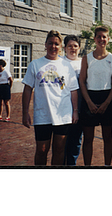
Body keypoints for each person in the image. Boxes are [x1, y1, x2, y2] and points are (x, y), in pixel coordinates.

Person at [22, 30, 79, 166]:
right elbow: (28, 89)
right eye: (50, 43)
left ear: (60, 47)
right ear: (45, 44)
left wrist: (75, 111)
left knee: (59, 149)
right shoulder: (35, 64)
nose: (53, 47)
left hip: (63, 114)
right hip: (42, 114)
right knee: (42, 150)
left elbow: (73, 90)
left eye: (56, 44)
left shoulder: (66, 65)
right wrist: (25, 113)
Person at [79, 25, 112, 166]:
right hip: (90, 98)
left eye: (104, 37)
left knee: (108, 136)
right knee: (88, 138)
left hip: (107, 98)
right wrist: (88, 102)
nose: (101, 39)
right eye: (99, 36)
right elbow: (82, 81)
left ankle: (107, 165)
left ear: (108, 39)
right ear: (95, 39)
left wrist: (107, 103)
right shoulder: (86, 58)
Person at [63, 34, 83, 166]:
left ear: (79, 48)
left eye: (75, 46)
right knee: (62, 140)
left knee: (76, 139)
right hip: (62, 106)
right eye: (69, 46)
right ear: (64, 48)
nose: (72, 48)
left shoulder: (84, 62)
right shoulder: (59, 62)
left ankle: (71, 165)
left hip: (80, 106)